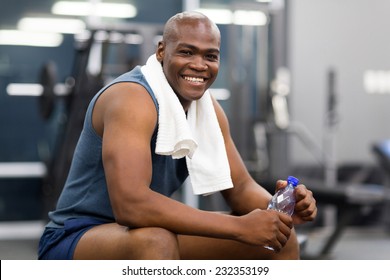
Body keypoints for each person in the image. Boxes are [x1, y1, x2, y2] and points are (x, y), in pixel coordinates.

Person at [38, 11, 317, 260]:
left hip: (135, 232)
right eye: (187, 52)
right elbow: (131, 205)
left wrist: (282, 211)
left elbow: (241, 188)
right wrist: (239, 227)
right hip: (75, 237)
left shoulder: (207, 111)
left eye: (210, 56)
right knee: (156, 240)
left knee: (279, 241)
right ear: (162, 51)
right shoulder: (132, 99)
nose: (199, 65)